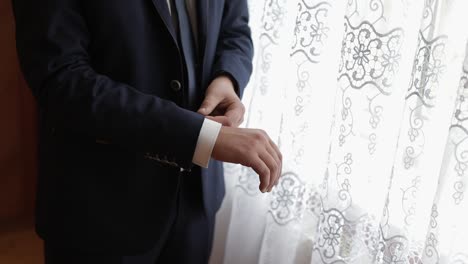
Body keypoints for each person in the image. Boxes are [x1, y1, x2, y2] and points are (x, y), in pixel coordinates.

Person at [12, 0, 282, 263]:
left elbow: (234, 27)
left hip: (195, 203)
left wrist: (227, 77)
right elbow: (62, 79)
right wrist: (201, 137)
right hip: (98, 211)